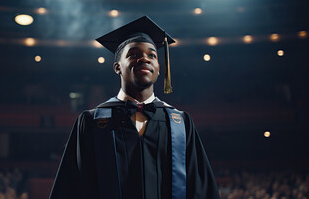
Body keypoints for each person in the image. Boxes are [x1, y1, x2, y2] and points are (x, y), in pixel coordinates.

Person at [50, 16, 220, 199]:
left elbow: (201, 190)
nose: (144, 59)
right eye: (133, 54)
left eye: (152, 55)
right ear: (117, 67)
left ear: (159, 68)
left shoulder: (180, 123)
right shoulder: (92, 122)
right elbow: (72, 188)